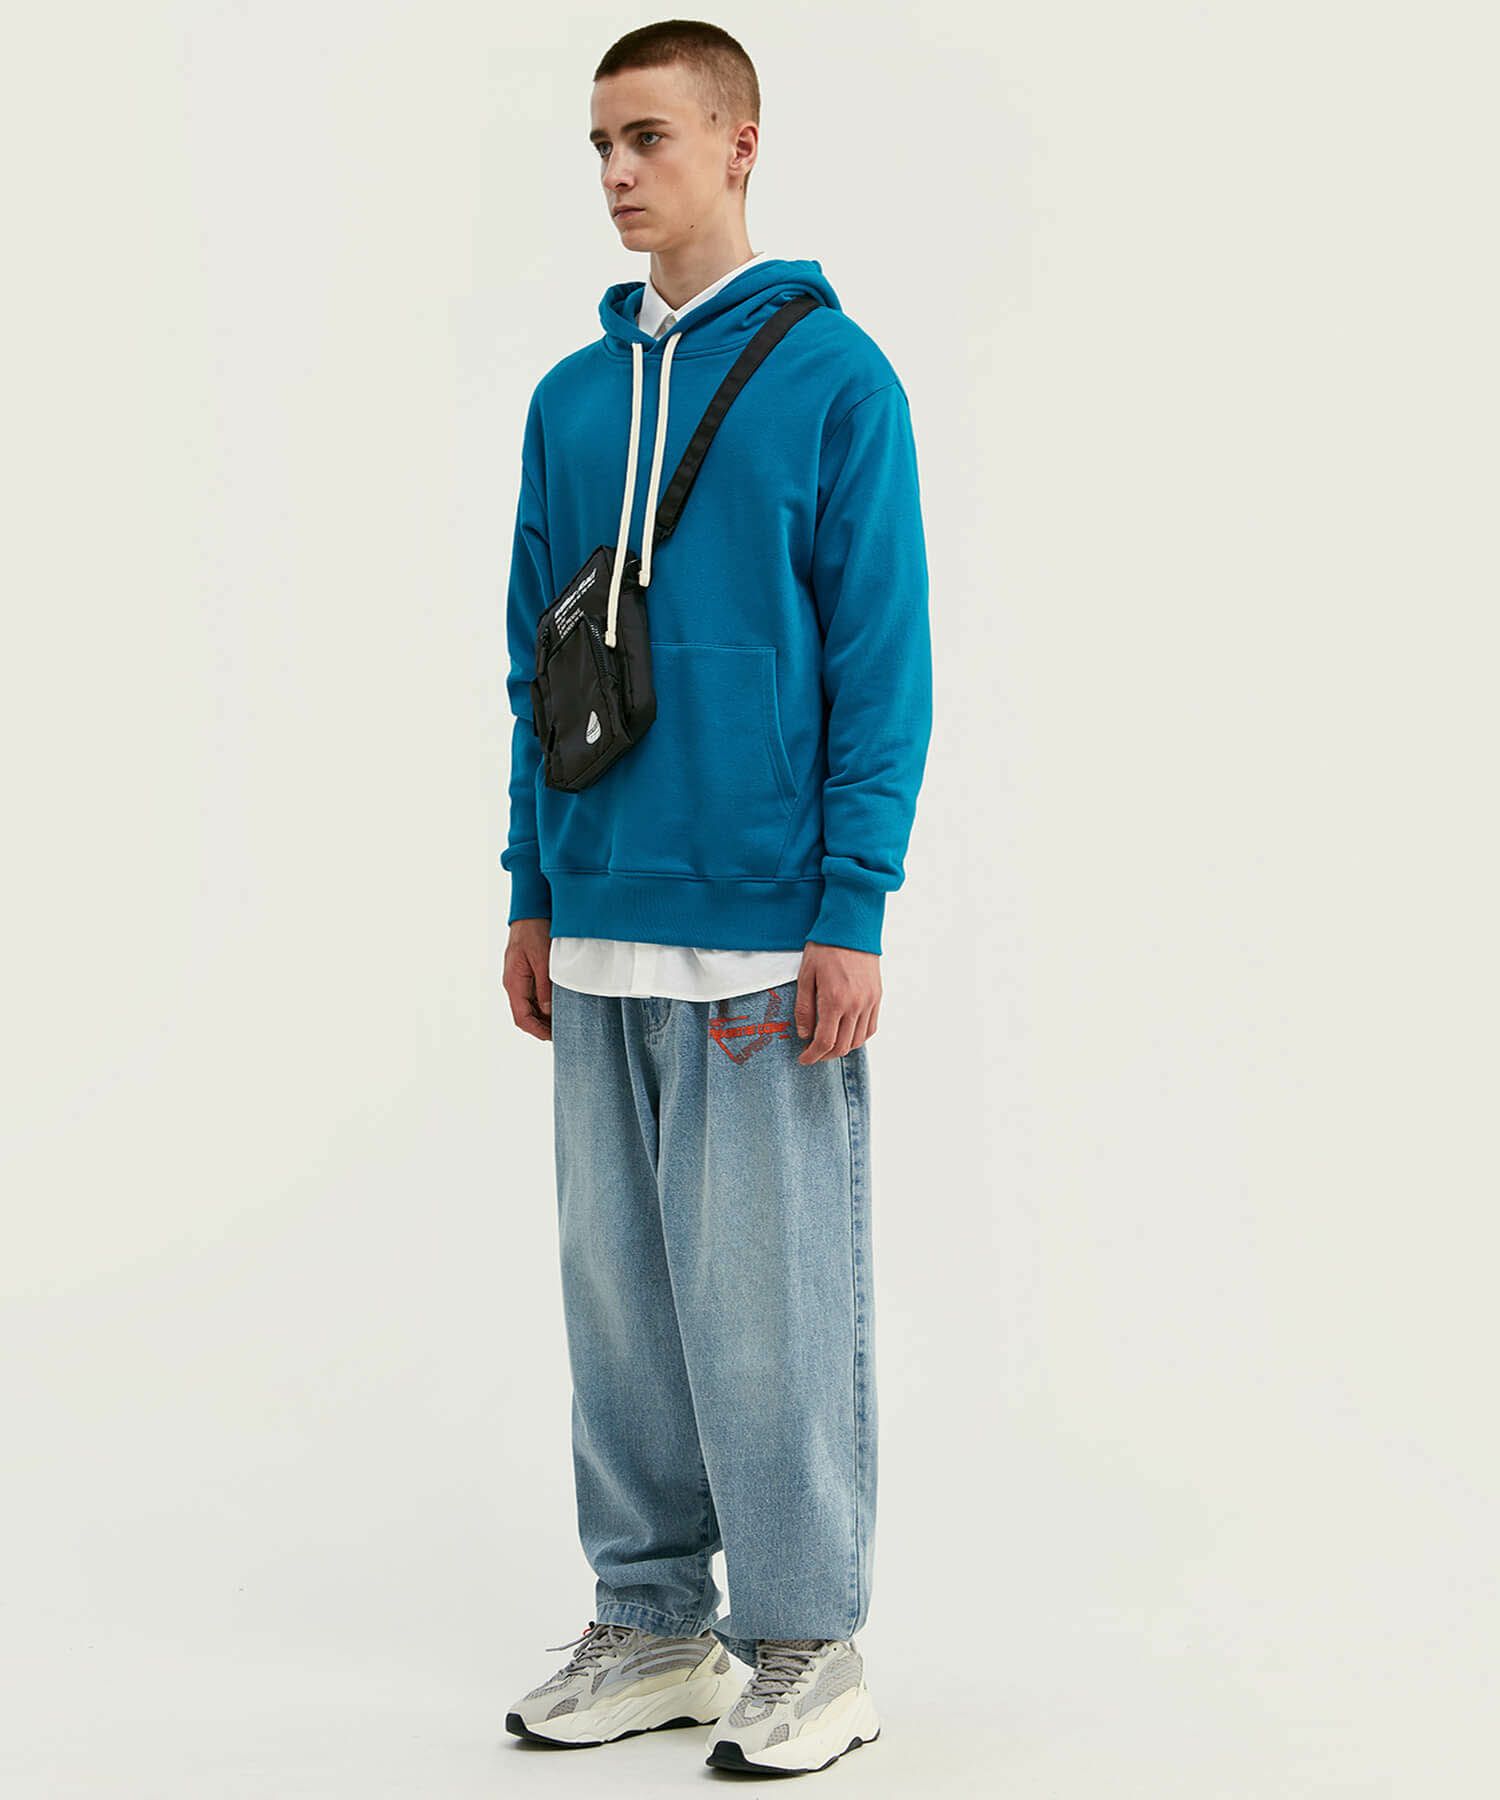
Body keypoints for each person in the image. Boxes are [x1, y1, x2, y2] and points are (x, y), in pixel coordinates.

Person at [500, 20, 932, 1777]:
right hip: (601, 913)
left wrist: (854, 905)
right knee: (618, 1306)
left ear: (740, 145)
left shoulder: (838, 382)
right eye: (600, 144)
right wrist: (531, 883)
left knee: (767, 1307)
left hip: (764, 927)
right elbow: (533, 665)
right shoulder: (569, 401)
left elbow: (882, 663)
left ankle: (809, 1642)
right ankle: (657, 1620)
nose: (618, 173)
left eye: (651, 138)